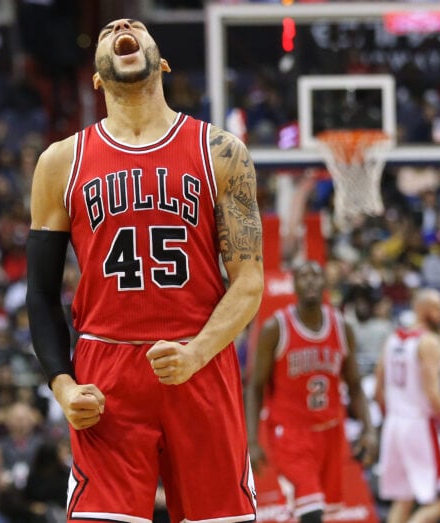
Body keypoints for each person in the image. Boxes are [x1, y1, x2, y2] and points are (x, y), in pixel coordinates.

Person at [25, 18, 263, 523]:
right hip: (105, 375)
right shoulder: (60, 162)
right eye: (110, 30)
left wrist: (197, 352)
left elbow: (249, 281)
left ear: (162, 61)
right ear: (96, 76)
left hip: (198, 361)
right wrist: (63, 386)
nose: (123, 27)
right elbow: (41, 295)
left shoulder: (221, 152)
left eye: (135, 26)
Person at [246, 261, 377, 523]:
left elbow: (354, 384)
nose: (310, 281)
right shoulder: (275, 328)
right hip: (291, 435)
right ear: (294, 285)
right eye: (303, 276)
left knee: (322, 512)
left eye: (316, 276)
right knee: (311, 511)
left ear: (325, 284)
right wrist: (251, 440)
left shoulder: (342, 327)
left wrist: (369, 428)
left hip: (331, 432)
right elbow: (255, 386)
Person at [374, 289, 440, 523]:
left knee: (403, 498)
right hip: (419, 425)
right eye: (438, 308)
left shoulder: (393, 339)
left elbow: (378, 390)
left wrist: (392, 416)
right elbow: (433, 392)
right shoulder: (428, 342)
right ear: (425, 310)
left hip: (394, 424)